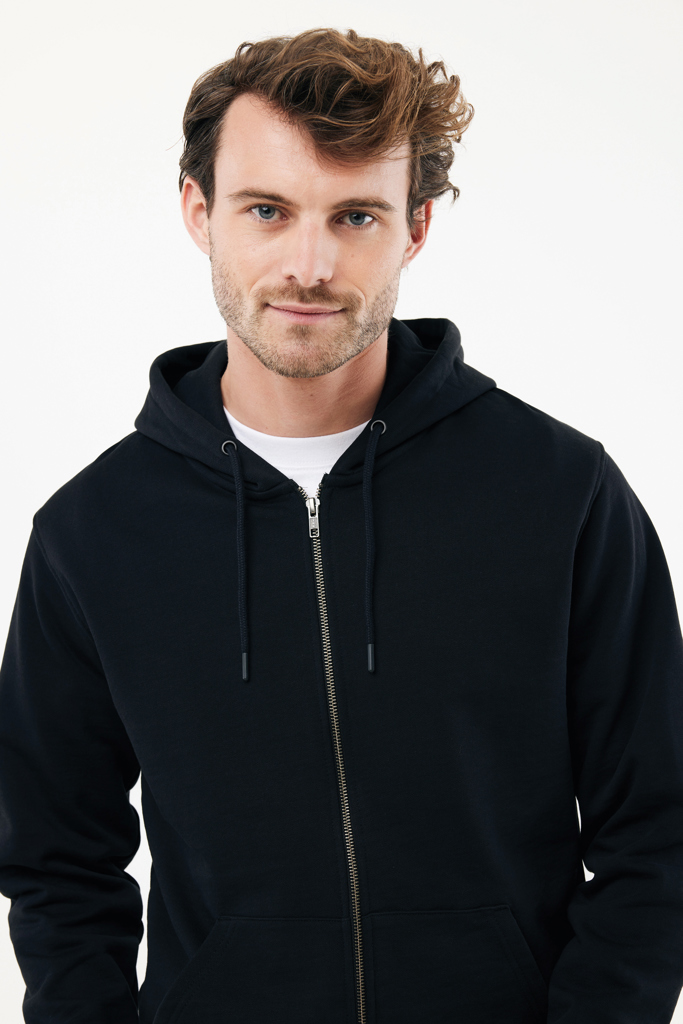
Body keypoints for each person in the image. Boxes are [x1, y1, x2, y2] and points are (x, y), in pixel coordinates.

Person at [0, 25, 682, 1024]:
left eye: (355, 215)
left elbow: (657, 830)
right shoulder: (93, 533)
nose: (309, 264)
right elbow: (56, 862)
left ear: (415, 227)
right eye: (266, 210)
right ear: (198, 212)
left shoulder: (560, 494)